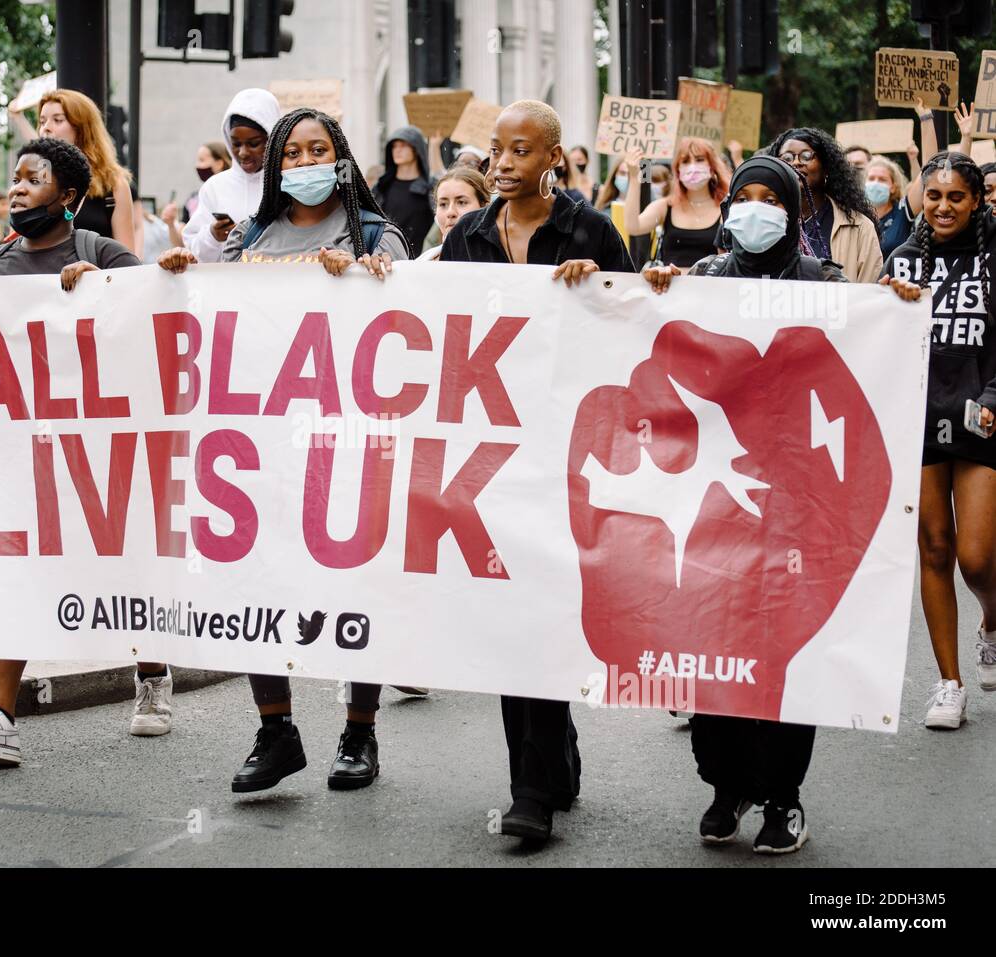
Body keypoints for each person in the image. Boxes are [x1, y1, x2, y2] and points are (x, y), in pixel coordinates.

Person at [158, 107, 407, 794]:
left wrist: (362, 275)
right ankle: (277, 730)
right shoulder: (252, 235)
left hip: (342, 437)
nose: (302, 163)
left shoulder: (375, 232)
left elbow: (403, 317)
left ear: (341, 156)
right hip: (260, 444)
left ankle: (359, 730)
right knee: (256, 581)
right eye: (290, 153)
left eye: (316, 149)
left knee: (356, 584)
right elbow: (218, 316)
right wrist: (185, 274)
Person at [0, 139, 146, 765]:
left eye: (32, 179)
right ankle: (0, 717)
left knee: (124, 570)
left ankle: (151, 674)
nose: (16, 189)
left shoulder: (97, 251)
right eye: (14, 179)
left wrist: (105, 287)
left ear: (68, 197)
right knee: (5, 572)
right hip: (17, 455)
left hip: (92, 455)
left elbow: (158, 307)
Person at [441, 99, 636, 842]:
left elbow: (630, 329)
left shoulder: (589, 230)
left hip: (565, 450)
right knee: (507, 612)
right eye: (496, 149)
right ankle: (542, 768)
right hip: (492, 451)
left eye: (520, 151)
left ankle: (533, 788)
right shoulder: (467, 234)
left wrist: (597, 292)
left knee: (544, 608)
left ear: (552, 157)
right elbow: (438, 322)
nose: (502, 162)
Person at [641, 155, 848, 854]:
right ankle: (726, 784)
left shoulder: (826, 286)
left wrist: (897, 307)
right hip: (715, 497)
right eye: (745, 197)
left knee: (785, 654)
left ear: (793, 210)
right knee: (715, 647)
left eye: (771, 198)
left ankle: (783, 798)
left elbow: (863, 367)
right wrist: (656, 292)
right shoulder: (702, 281)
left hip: (796, 502)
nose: (755, 209)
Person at [879, 151, 996, 729]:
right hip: (918, 422)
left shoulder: (994, 259)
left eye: (956, 197)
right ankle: (949, 683)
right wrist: (879, 306)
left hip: (981, 420)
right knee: (933, 549)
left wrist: (994, 400)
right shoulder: (902, 260)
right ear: (920, 199)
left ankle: (991, 621)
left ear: (975, 202)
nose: (944, 206)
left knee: (976, 558)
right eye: (934, 196)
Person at [764, 127, 882, 282]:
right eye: (787, 158)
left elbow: (868, 294)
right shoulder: (763, 220)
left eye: (806, 156)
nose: (796, 162)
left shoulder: (859, 227)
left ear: (826, 167)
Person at [181, 89, 280, 264]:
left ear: (272, 139)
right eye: (235, 143)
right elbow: (192, 253)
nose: (242, 153)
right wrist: (213, 236)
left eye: (254, 143)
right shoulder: (215, 187)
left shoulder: (286, 184)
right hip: (225, 287)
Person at [35, 89, 137, 252]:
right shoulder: (31, 183)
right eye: (42, 121)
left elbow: (126, 262)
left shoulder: (114, 185)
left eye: (58, 120)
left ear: (82, 129)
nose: (46, 128)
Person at [624, 137, 730, 268]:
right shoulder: (665, 206)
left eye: (699, 159)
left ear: (712, 167)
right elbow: (633, 227)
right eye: (685, 161)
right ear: (678, 170)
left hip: (711, 287)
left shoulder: (726, 208)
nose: (693, 166)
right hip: (667, 286)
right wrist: (634, 178)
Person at [371, 125, 436, 257]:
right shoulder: (382, 187)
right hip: (387, 258)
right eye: (394, 146)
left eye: (403, 145)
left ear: (416, 149)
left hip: (422, 260)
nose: (397, 150)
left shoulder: (431, 188)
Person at [418, 166, 491, 261]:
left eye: (461, 202)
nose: (450, 212)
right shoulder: (422, 263)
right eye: (443, 204)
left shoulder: (506, 259)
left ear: (485, 207)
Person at [865, 155, 915, 260]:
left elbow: (925, 179)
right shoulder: (857, 215)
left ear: (893, 187)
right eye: (871, 178)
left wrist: (914, 159)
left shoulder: (903, 211)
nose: (875, 183)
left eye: (882, 180)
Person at [184, 142, 231, 224]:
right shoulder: (193, 198)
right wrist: (170, 224)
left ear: (219, 164)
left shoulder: (232, 193)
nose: (197, 165)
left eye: (202, 160)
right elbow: (185, 235)